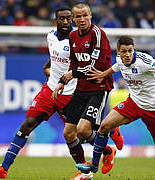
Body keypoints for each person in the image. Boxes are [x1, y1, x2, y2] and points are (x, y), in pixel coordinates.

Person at [0, 6, 77, 178]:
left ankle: (103, 151)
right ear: (56, 20)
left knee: (79, 134)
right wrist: (48, 66)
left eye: (68, 18)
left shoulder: (77, 39)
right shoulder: (50, 36)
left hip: (70, 93)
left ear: (72, 20)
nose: (65, 22)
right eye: (61, 18)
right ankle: (3, 168)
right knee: (28, 124)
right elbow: (57, 54)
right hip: (50, 89)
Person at [76, 36, 155, 173]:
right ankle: (94, 164)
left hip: (153, 108)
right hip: (134, 102)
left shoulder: (144, 61)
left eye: (130, 51)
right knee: (104, 126)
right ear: (118, 52)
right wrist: (104, 74)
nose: (127, 55)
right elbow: (117, 66)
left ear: (133, 49)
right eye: (124, 51)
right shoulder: (119, 59)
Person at [52, 2, 123, 179]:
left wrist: (72, 73)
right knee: (68, 133)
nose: (82, 19)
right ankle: (86, 169)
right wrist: (62, 82)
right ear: (73, 19)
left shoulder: (98, 34)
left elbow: (95, 66)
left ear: (91, 15)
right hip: (81, 88)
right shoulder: (73, 36)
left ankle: (107, 151)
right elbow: (74, 63)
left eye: (85, 15)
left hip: (98, 88)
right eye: (78, 16)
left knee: (83, 130)